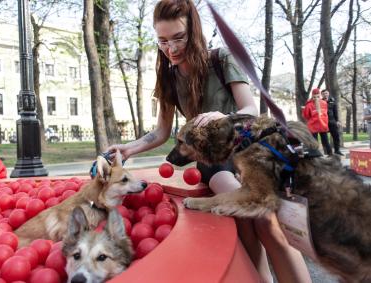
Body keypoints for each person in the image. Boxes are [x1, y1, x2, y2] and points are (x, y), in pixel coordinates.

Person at [108, 1, 312, 282]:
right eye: (163, 41)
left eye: (179, 37)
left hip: (248, 151)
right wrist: (128, 148)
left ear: (194, 31)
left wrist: (224, 117)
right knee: (249, 214)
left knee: (267, 222)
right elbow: (161, 132)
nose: (172, 49)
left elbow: (251, 110)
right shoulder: (168, 76)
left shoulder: (221, 59)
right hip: (213, 160)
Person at [302, 88, 332, 155]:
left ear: (320, 96)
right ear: (312, 96)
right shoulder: (309, 105)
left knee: (325, 141)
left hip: (322, 125)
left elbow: (325, 114)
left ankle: (330, 155)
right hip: (313, 126)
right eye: (314, 97)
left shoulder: (324, 103)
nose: (316, 98)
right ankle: (315, 155)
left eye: (318, 96)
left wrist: (324, 122)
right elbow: (306, 116)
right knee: (314, 142)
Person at [321, 89, 343, 155]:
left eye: (326, 93)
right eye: (324, 93)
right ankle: (328, 152)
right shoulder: (320, 102)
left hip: (332, 122)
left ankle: (337, 150)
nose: (325, 94)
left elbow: (335, 112)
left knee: (336, 136)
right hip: (323, 123)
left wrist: (337, 121)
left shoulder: (332, 101)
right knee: (324, 139)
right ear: (322, 94)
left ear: (328, 94)